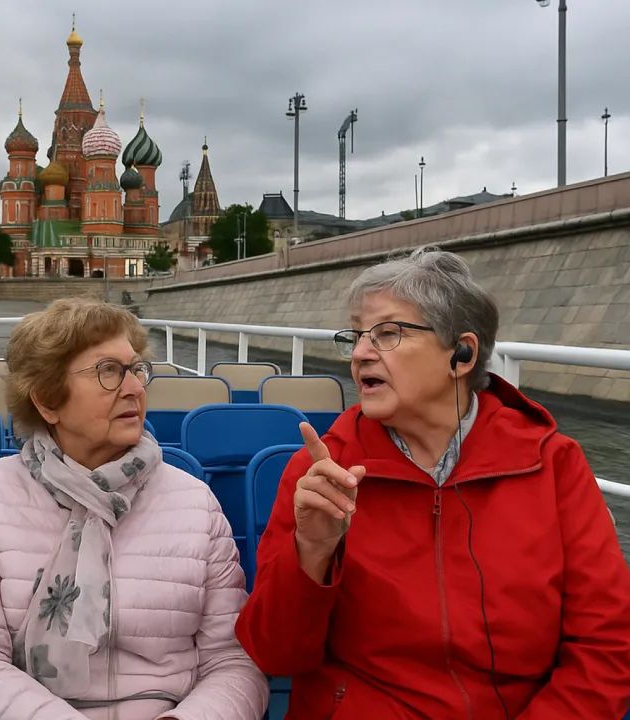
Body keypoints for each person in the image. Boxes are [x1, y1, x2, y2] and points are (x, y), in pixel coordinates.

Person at [236, 247, 630, 718]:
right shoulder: (322, 473)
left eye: (387, 334)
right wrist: (313, 552)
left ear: (461, 354)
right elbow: (276, 656)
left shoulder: (551, 465)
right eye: (358, 336)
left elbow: (607, 643)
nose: (360, 353)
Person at [0, 297, 268, 720]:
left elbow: (232, 660)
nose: (133, 388)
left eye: (136, 370)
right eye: (107, 372)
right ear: (46, 401)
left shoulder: (194, 502)